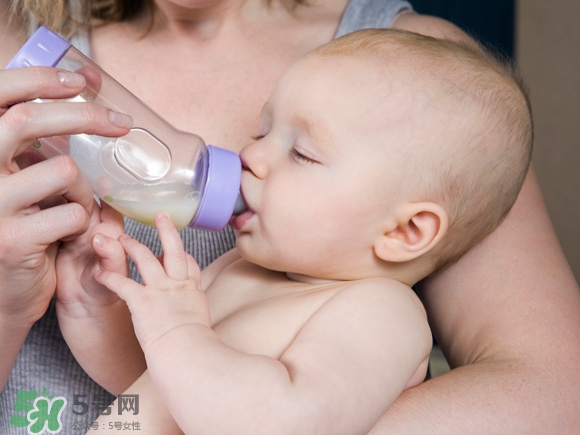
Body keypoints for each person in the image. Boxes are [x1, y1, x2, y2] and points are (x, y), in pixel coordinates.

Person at [0, 0, 579, 433]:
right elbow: (159, 389)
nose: (249, 155)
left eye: (301, 153)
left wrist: (175, 326)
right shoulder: (239, 269)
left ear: (406, 231)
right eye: (261, 130)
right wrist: (93, 310)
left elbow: (277, 423)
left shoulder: (379, 316)